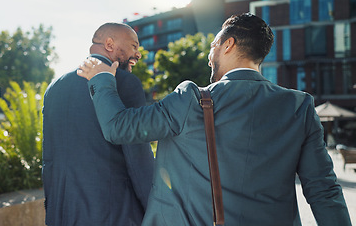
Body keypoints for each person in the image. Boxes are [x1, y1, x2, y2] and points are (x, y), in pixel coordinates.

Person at [77, 13, 352, 225]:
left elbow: (118, 127)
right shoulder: (299, 106)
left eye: (213, 46)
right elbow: (323, 190)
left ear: (228, 44)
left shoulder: (190, 98)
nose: (210, 56)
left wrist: (102, 78)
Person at [42, 23, 154, 226]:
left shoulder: (54, 88)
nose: (137, 54)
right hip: (115, 214)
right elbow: (139, 161)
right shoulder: (125, 82)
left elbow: (48, 161)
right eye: (133, 46)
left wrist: (53, 212)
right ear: (109, 44)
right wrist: (155, 209)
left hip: (62, 214)